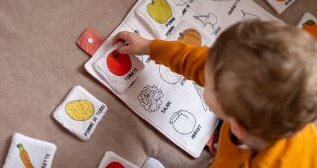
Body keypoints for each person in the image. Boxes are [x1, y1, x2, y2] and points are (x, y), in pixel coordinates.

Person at [113, 20, 317, 167]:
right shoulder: (269, 111)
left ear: (237, 126)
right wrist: (149, 47)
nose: (205, 69)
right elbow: (200, 62)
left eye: (208, 82)